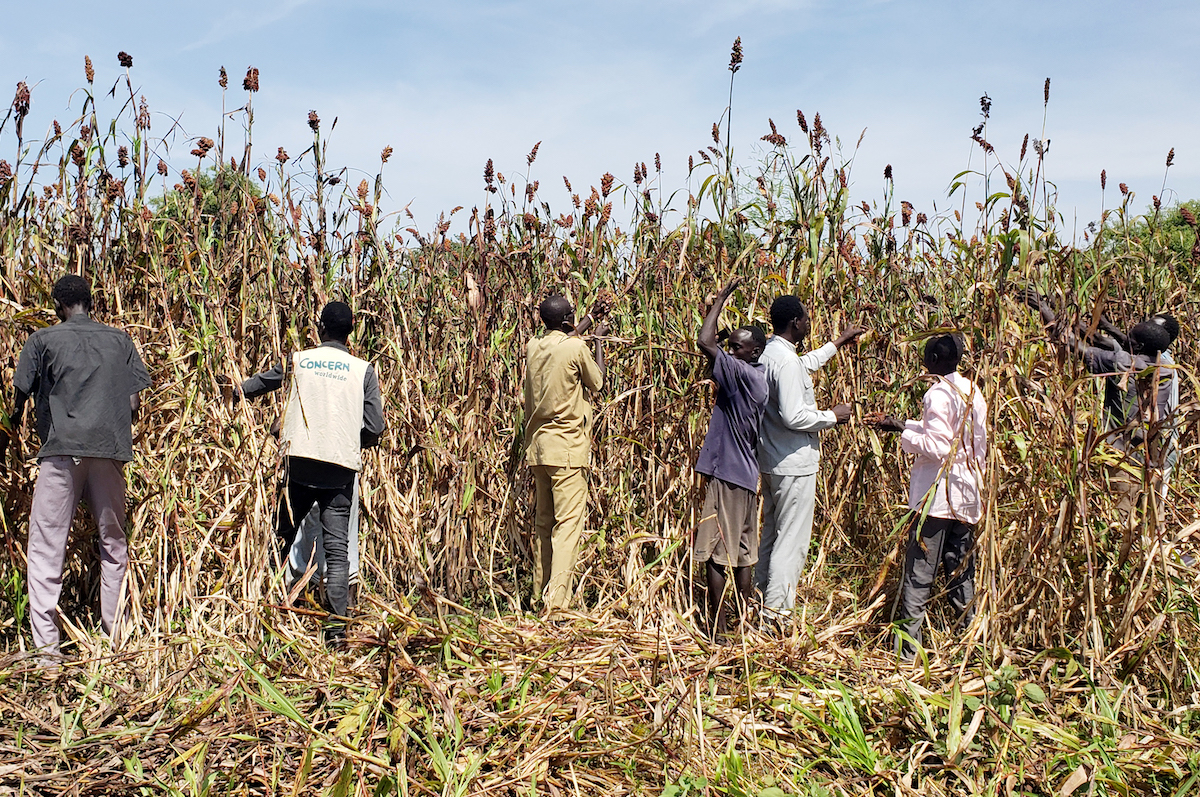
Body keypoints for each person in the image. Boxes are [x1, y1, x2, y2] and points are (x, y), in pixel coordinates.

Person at [3, 275, 151, 665]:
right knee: (113, 546)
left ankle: (48, 653)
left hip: (61, 453)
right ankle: (112, 641)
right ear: (91, 302)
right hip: (109, 453)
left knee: (47, 548)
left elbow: (16, 403)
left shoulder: (42, 341)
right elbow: (135, 402)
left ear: (57, 305)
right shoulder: (120, 340)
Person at [238, 301, 384, 647]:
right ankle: (335, 634)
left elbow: (259, 384)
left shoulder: (299, 360)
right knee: (336, 553)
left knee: (281, 540)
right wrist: (353, 439)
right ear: (351, 331)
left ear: (320, 328)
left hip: (298, 464)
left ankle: (266, 617)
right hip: (339, 469)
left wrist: (233, 390)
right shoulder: (363, 370)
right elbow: (375, 427)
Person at [1025, 291, 1174, 560]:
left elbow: (1067, 343)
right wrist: (1091, 322)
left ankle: (1118, 580)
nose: (1124, 340)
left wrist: (1043, 308)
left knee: (1121, 530)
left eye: (1130, 339)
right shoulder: (1165, 370)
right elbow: (1108, 340)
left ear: (1138, 348)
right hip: (1152, 462)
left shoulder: (1124, 363)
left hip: (1124, 463)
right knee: (1149, 532)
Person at [866, 334, 987, 660]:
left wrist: (904, 436)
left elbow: (939, 447)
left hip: (937, 501)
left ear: (932, 359)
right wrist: (899, 424)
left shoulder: (937, 394)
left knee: (918, 578)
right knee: (960, 574)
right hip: (966, 497)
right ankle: (971, 651)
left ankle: (907, 658)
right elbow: (956, 438)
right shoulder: (973, 392)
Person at [756, 295, 862, 617]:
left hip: (773, 462)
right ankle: (776, 615)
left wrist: (838, 341)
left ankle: (759, 603)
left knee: (772, 537)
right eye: (805, 318)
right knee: (791, 543)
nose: (808, 322)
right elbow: (793, 415)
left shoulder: (771, 354)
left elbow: (805, 365)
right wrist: (832, 415)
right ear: (795, 323)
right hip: (794, 464)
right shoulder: (785, 361)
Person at [692, 278, 768, 636]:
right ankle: (743, 621)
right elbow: (714, 353)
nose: (732, 352)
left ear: (754, 353)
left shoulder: (740, 373)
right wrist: (726, 345)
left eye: (738, 347)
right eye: (732, 347)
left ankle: (719, 628)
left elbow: (704, 342)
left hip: (727, 475)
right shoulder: (755, 375)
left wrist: (719, 300)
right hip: (745, 476)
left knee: (717, 552)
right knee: (743, 551)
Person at [524, 295, 607, 614]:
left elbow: (564, 341)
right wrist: (597, 341)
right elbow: (597, 382)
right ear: (567, 320)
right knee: (567, 528)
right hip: (569, 450)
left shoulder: (534, 346)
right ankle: (557, 604)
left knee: (544, 525)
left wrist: (586, 319)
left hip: (540, 449)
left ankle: (538, 597)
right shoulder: (576, 348)